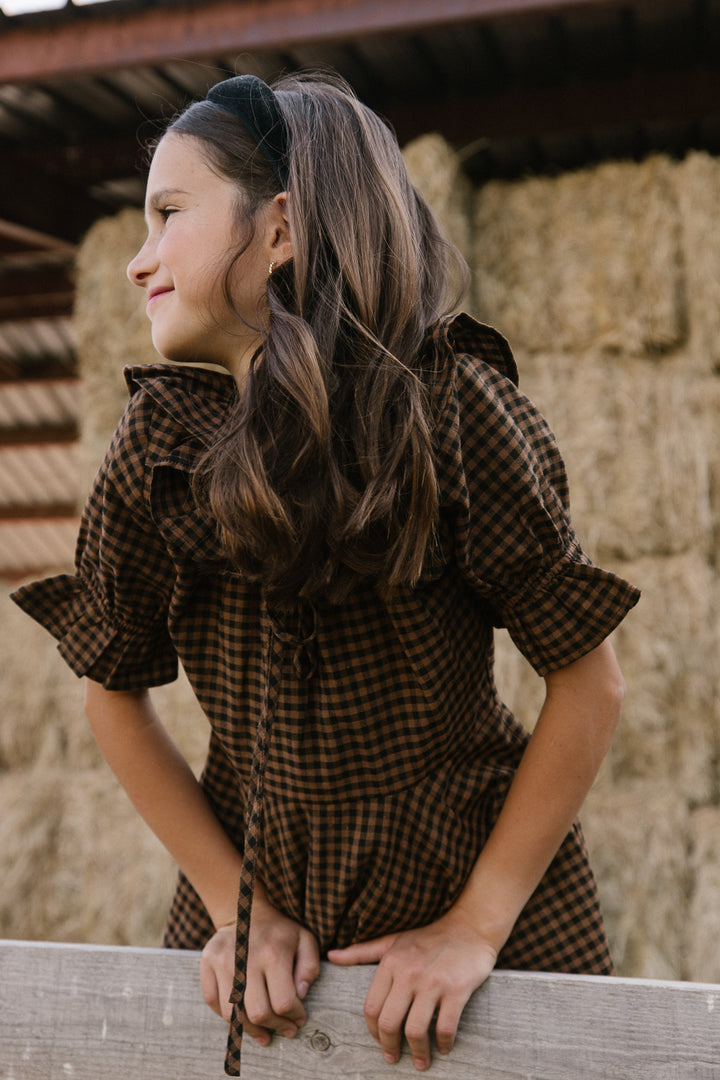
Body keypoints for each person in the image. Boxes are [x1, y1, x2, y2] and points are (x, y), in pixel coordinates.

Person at [12, 71, 640, 1075]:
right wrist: (235, 908)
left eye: (169, 213)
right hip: (262, 921)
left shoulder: (451, 408)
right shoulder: (156, 444)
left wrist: (475, 926)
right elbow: (111, 699)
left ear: (282, 228)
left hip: (471, 893)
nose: (138, 260)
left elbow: (590, 679)